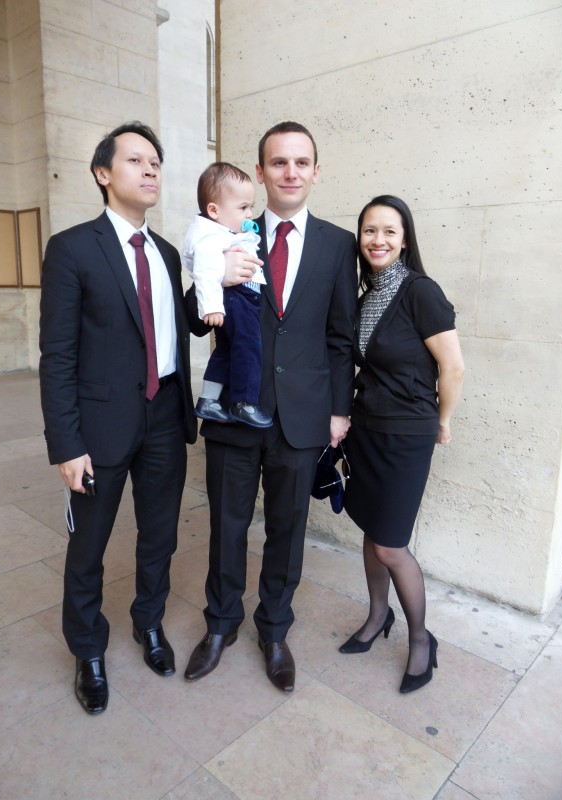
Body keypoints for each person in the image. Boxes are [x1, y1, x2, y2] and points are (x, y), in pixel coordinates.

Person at [184, 121, 358, 692]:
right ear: (259, 173)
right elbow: (194, 316)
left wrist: (339, 410)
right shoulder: (230, 229)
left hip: (302, 417)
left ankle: (275, 630)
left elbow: (340, 337)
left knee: (288, 528)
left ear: (315, 172)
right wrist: (213, 280)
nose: (290, 172)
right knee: (227, 525)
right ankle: (220, 625)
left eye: (301, 162)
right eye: (278, 162)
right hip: (237, 409)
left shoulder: (338, 244)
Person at [39, 121, 205, 715]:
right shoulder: (72, 248)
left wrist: (218, 278)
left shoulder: (166, 253)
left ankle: (148, 622)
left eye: (156, 160)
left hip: (165, 416)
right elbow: (57, 355)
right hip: (100, 427)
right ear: (103, 174)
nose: (151, 168)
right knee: (89, 545)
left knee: (160, 534)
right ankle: (88, 649)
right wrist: (66, 443)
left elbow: (174, 326)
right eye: (136, 160)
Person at [339, 195, 465, 694]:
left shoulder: (420, 292)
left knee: (391, 545)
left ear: (405, 239)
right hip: (366, 431)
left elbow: (452, 367)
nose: (378, 240)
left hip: (407, 435)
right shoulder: (366, 295)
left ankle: (420, 638)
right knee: (371, 530)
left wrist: (443, 421)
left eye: (389, 231)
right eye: (369, 231)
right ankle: (377, 616)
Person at [182, 162, 272, 428]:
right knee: (248, 348)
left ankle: (208, 400)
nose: (249, 214)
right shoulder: (210, 237)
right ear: (214, 210)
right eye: (243, 208)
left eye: (250, 206)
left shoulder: (223, 231)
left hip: (236, 298)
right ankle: (244, 402)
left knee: (226, 349)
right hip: (237, 297)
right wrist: (212, 306)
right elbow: (206, 272)